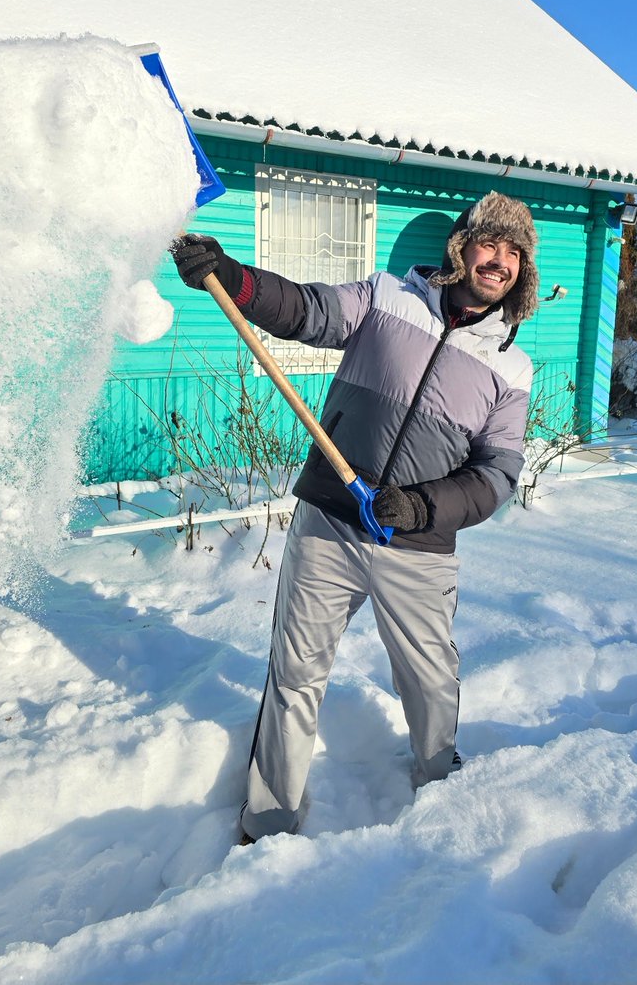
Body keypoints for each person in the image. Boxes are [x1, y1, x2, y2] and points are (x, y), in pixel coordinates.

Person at [171, 190, 538, 842]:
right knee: (294, 671)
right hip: (332, 523)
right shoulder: (387, 299)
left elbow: (496, 474)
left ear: (522, 270)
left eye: (514, 252)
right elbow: (306, 311)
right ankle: (268, 819)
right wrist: (234, 279)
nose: (499, 260)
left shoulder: (511, 367)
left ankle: (440, 786)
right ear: (462, 246)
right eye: (490, 242)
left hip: (417, 544)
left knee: (429, 681)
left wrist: (423, 505)